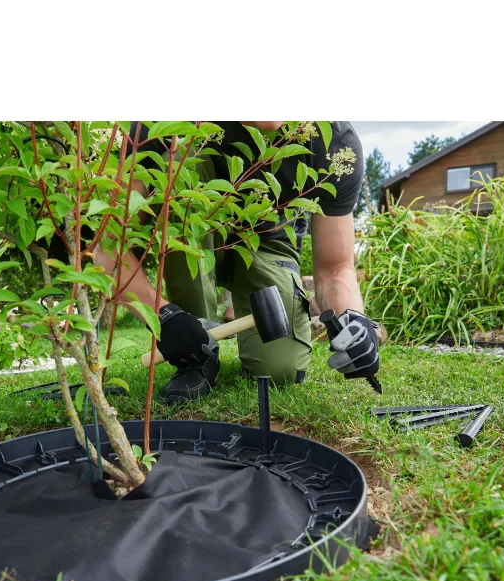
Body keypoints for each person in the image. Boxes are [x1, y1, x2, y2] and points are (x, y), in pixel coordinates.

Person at [69, 118, 382, 402]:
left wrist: (353, 319)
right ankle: (194, 352)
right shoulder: (166, 115)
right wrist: (163, 316)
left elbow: (335, 267)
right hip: (189, 227)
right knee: (181, 168)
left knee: (279, 370)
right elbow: (107, 247)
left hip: (267, 239)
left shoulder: (334, 143)